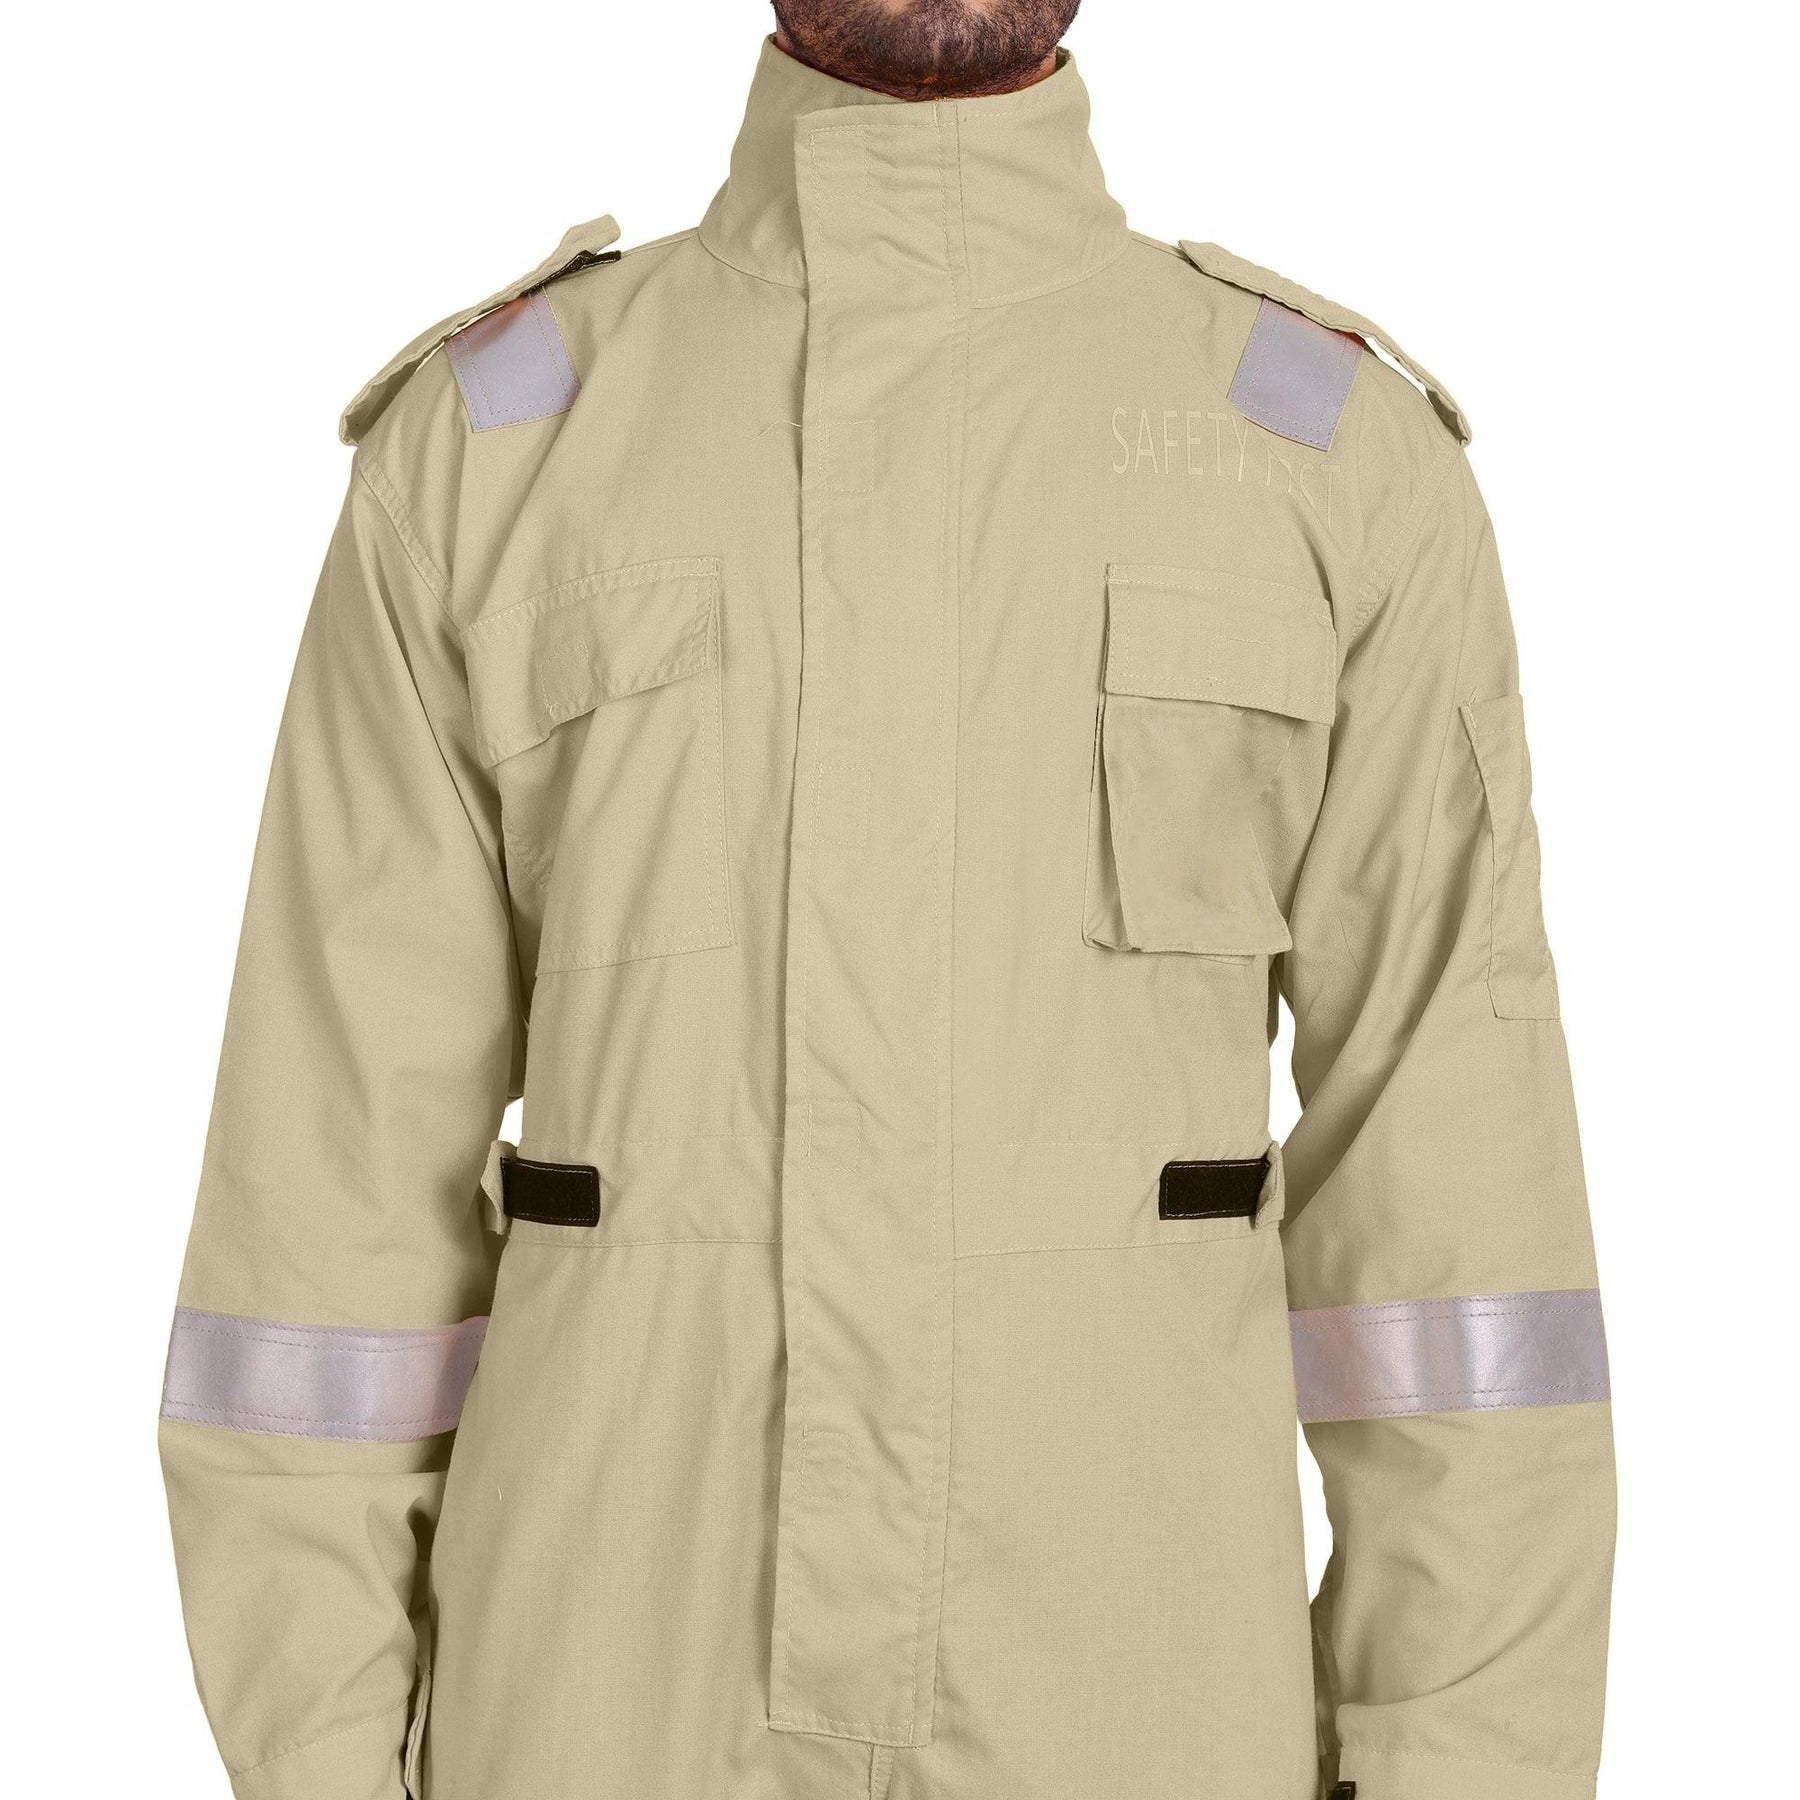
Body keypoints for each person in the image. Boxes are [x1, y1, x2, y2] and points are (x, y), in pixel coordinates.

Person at [159, 5, 1615, 1797]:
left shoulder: (1329, 467)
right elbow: (320, 1226)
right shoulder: (493, 456)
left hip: (1130, 1726)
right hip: (607, 1721)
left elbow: (1461, 1235)